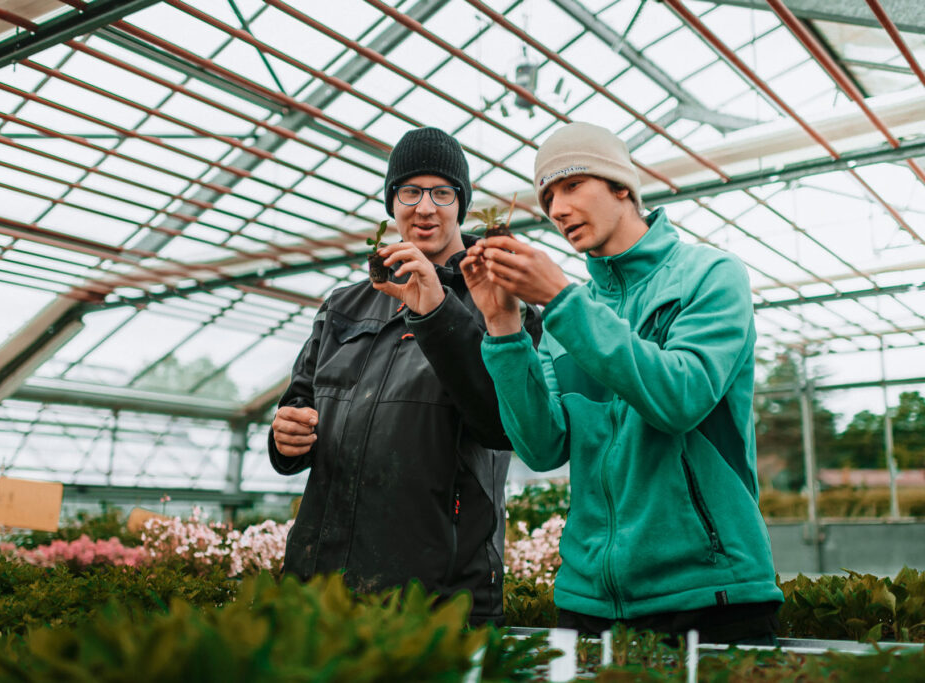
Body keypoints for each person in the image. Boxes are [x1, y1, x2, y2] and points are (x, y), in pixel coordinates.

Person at [460, 122, 782, 643]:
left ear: (621, 187)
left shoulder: (709, 276)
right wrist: (504, 328)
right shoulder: (568, 318)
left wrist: (563, 301)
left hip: (710, 594)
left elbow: (681, 398)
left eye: (570, 186)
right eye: (547, 198)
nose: (557, 209)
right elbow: (542, 448)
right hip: (587, 603)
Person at [269, 127, 541, 624]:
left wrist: (437, 311)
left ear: (461, 203)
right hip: (321, 586)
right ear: (391, 201)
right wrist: (284, 437)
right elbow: (299, 403)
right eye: (409, 191)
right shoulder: (344, 305)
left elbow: (502, 425)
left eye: (442, 193)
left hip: (438, 595)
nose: (425, 207)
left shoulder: (497, 300)